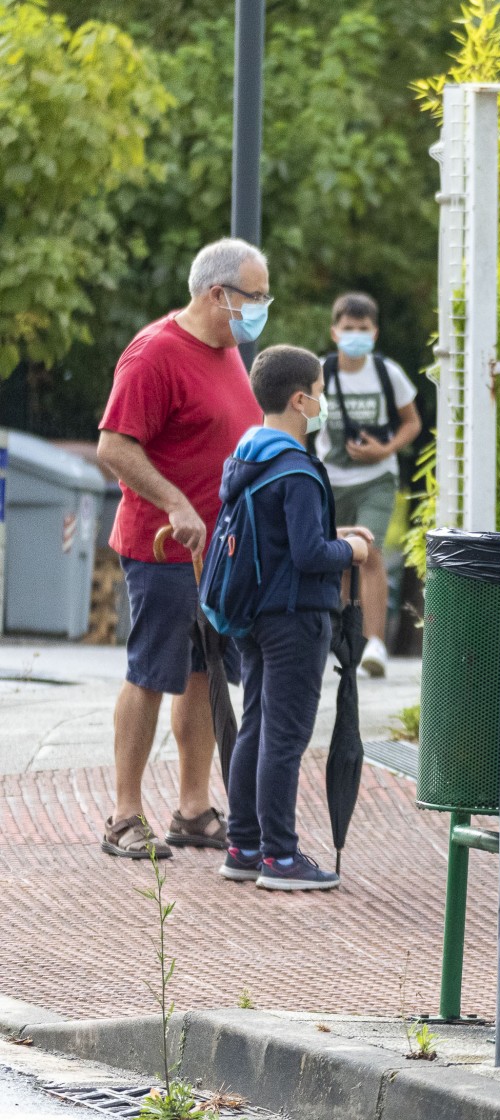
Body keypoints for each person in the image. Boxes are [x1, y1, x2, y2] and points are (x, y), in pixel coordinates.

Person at [95, 238, 269, 860]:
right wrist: (174, 502)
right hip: (163, 546)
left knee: (201, 675)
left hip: (216, 554)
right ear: (219, 295)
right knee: (151, 673)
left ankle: (193, 809)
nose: (261, 308)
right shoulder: (154, 353)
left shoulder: (226, 353)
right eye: (256, 296)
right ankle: (122, 815)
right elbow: (114, 447)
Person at [212, 346, 375, 891]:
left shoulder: (247, 457)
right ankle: (280, 857)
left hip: (255, 613)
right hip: (296, 616)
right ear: (300, 398)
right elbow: (308, 554)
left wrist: (336, 540)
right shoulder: (298, 471)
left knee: (257, 725)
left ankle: (244, 844)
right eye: (321, 392)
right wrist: (350, 552)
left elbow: (283, 543)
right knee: (284, 736)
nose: (325, 402)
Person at [313, 292, 422, 678]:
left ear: (374, 333)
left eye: (363, 329)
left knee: (370, 548)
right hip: (331, 478)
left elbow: (412, 421)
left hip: (377, 477)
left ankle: (375, 643)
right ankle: (347, 639)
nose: (355, 335)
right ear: (335, 331)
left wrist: (386, 448)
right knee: (341, 556)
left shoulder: (386, 372)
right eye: (348, 328)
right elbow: (304, 420)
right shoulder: (321, 372)